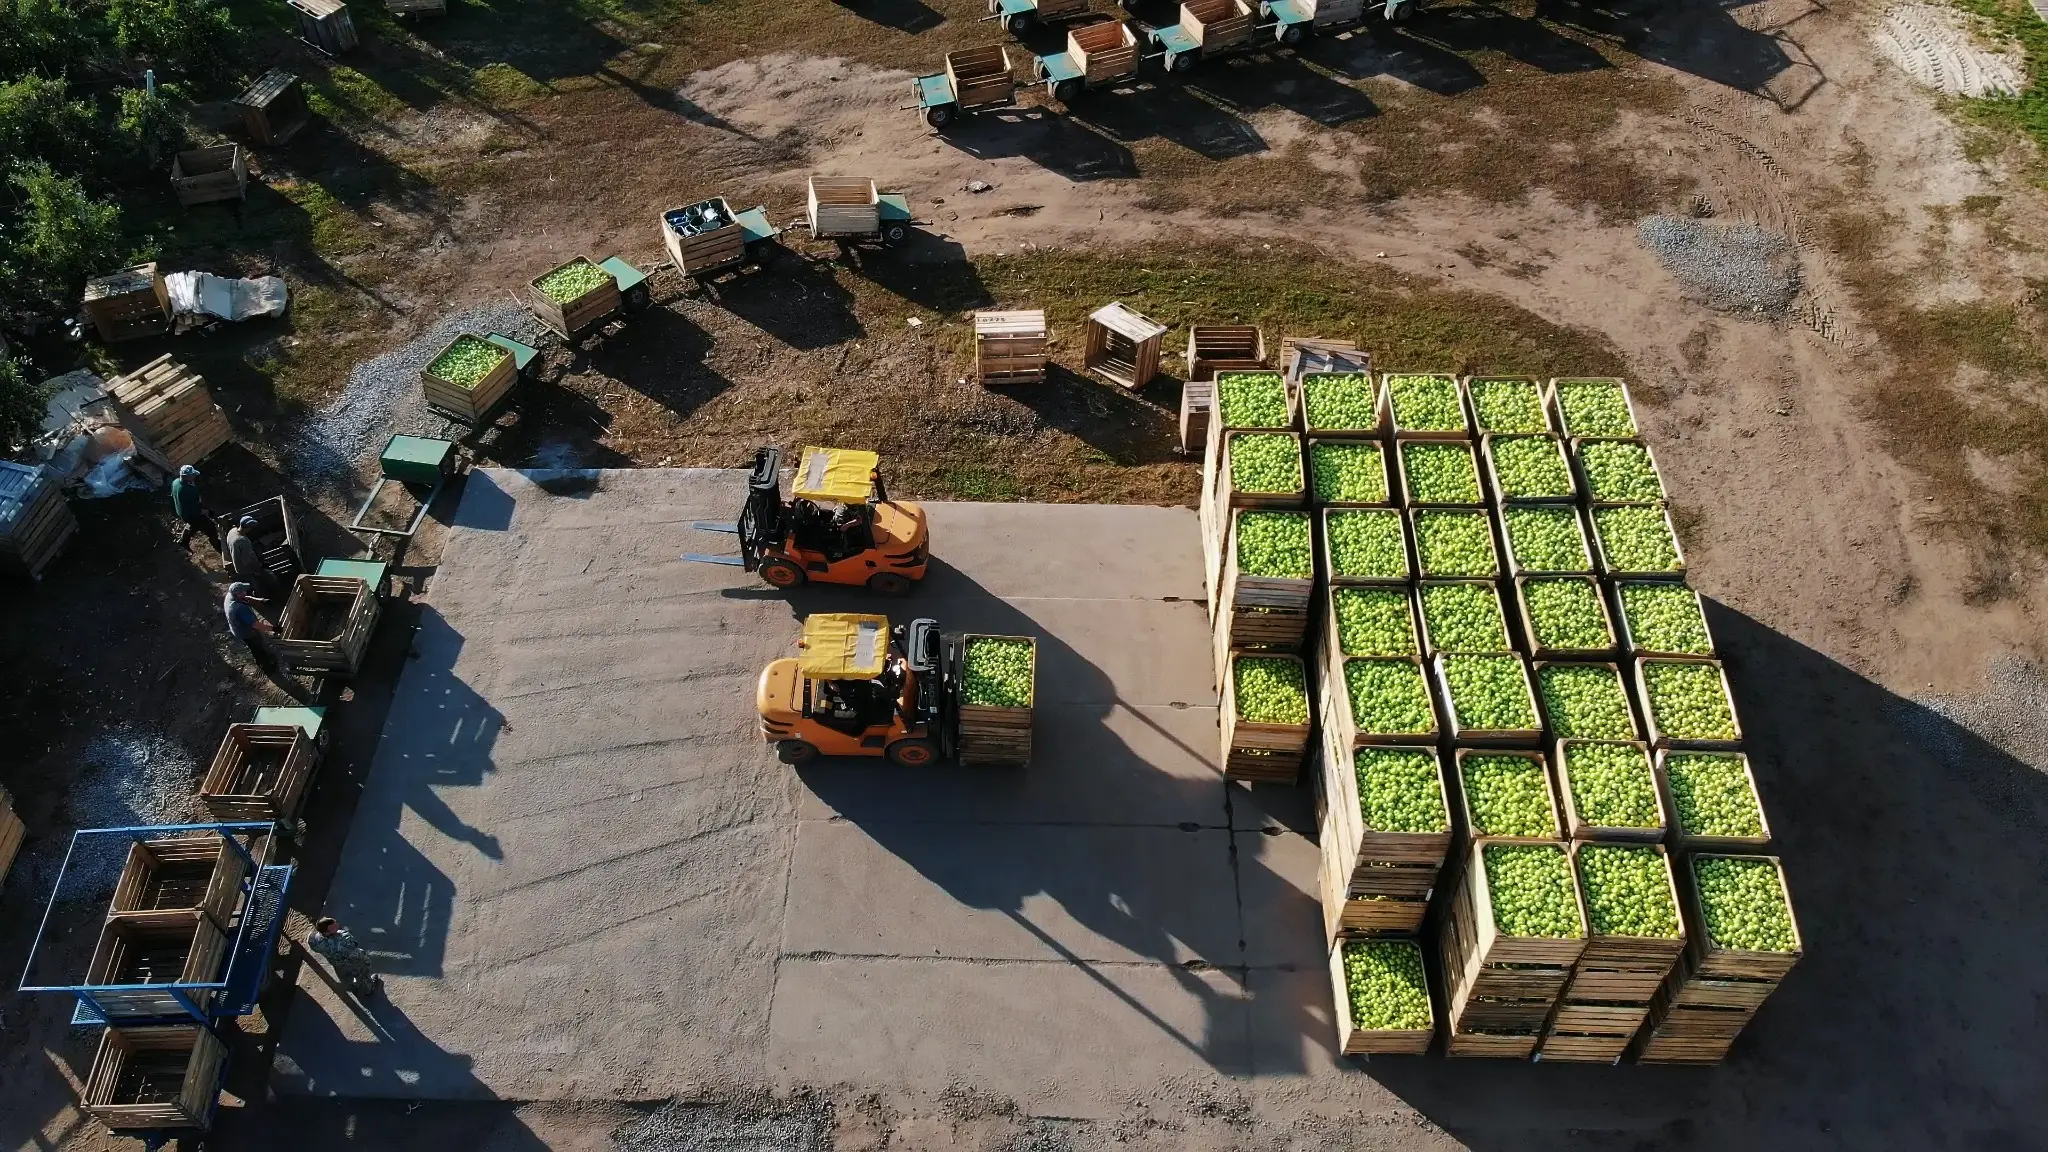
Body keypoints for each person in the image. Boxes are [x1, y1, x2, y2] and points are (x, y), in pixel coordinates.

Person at [307, 916, 380, 997]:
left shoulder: (313, 941)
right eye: (334, 927)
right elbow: (355, 952)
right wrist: (366, 960)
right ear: (326, 932)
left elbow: (314, 944)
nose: (338, 925)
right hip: (351, 963)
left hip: (336, 963)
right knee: (363, 973)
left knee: (345, 977)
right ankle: (369, 988)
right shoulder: (344, 938)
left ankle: (352, 988)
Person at [224, 515, 281, 601]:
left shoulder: (232, 531)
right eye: (251, 528)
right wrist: (258, 569)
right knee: (266, 579)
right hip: (247, 568)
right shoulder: (243, 541)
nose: (251, 529)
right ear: (247, 528)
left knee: (253, 582)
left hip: (238, 564)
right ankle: (266, 598)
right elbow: (247, 561)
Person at [223, 582, 276, 670]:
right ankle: (267, 667)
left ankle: (265, 657)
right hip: (245, 632)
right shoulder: (239, 608)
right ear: (238, 594)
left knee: (257, 644)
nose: (245, 592)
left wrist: (260, 600)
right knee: (257, 648)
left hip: (238, 626)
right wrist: (274, 629)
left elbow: (245, 597)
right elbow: (256, 625)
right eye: (243, 591)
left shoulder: (231, 594)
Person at [170, 465, 220, 553]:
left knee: (192, 525)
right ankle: (217, 544)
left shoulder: (176, 482)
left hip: (182, 512)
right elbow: (195, 509)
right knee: (211, 528)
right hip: (191, 514)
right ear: (187, 476)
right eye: (193, 475)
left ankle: (183, 542)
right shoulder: (189, 490)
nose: (195, 476)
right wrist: (206, 512)